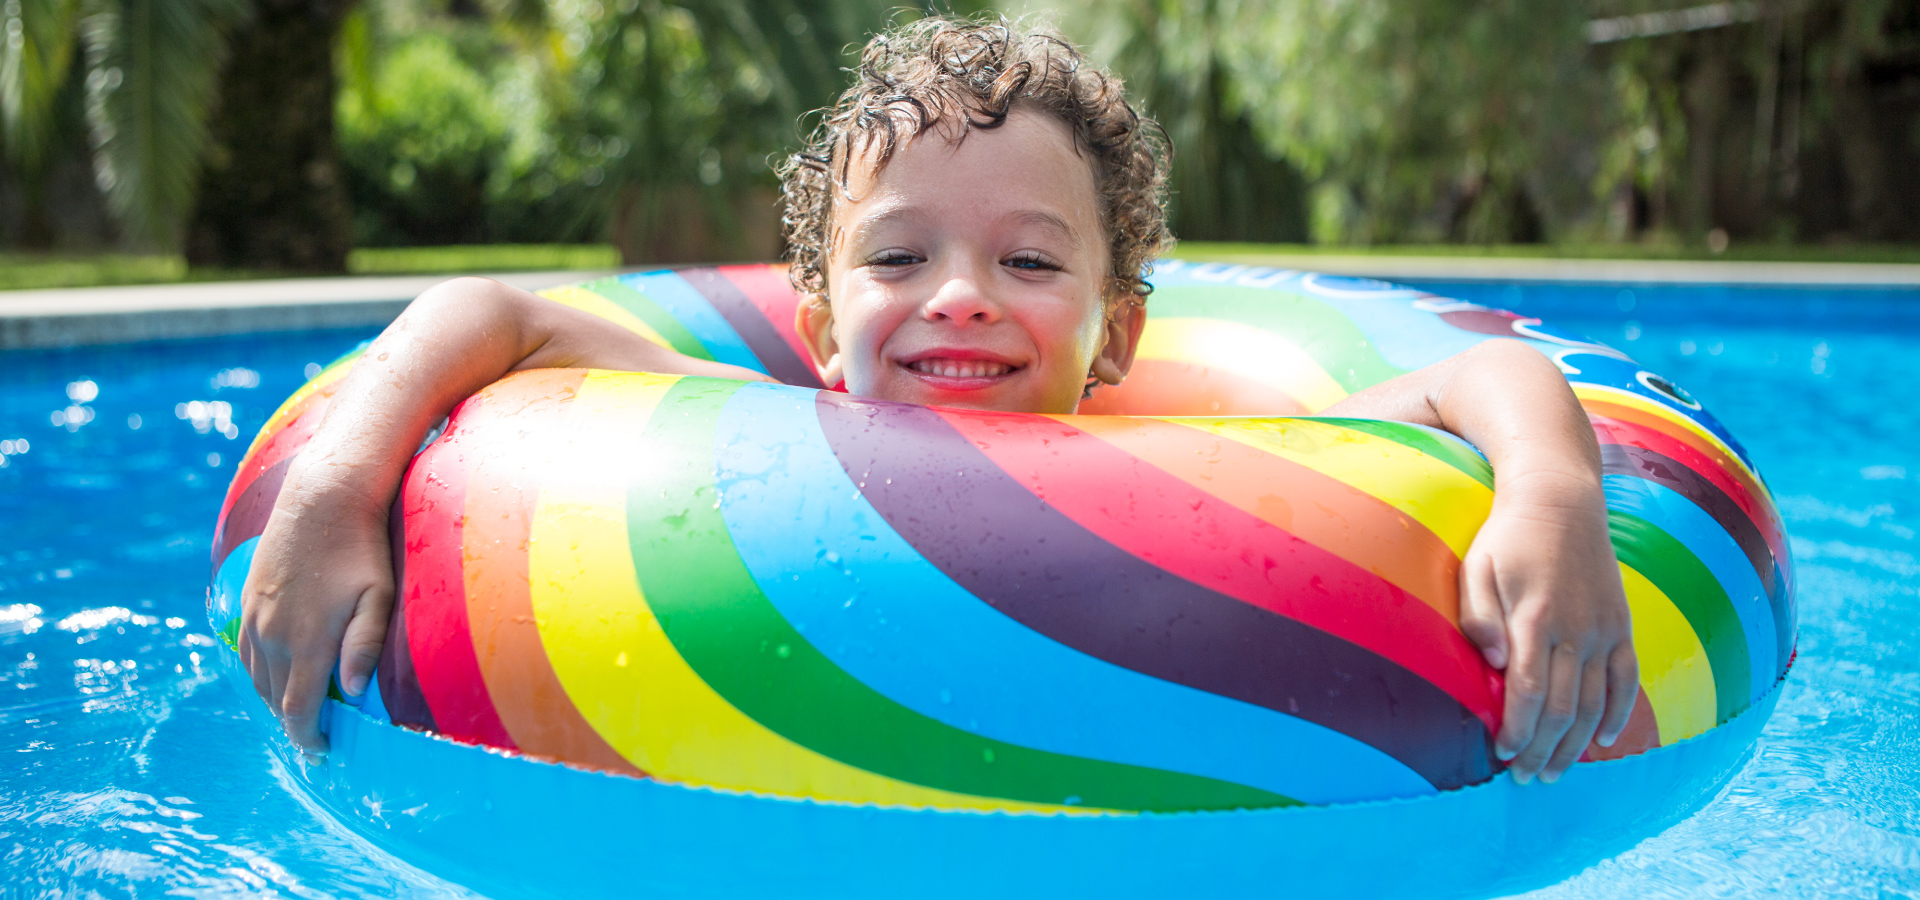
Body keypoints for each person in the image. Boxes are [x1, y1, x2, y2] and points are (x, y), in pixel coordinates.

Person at [240, 15, 1636, 788]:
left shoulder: (1196, 461)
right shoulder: (741, 447)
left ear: (1116, 331)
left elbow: (1478, 375)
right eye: (899, 258)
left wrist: (1556, 494)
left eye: (1029, 260)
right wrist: (333, 488)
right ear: (820, 332)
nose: (961, 294)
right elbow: (501, 312)